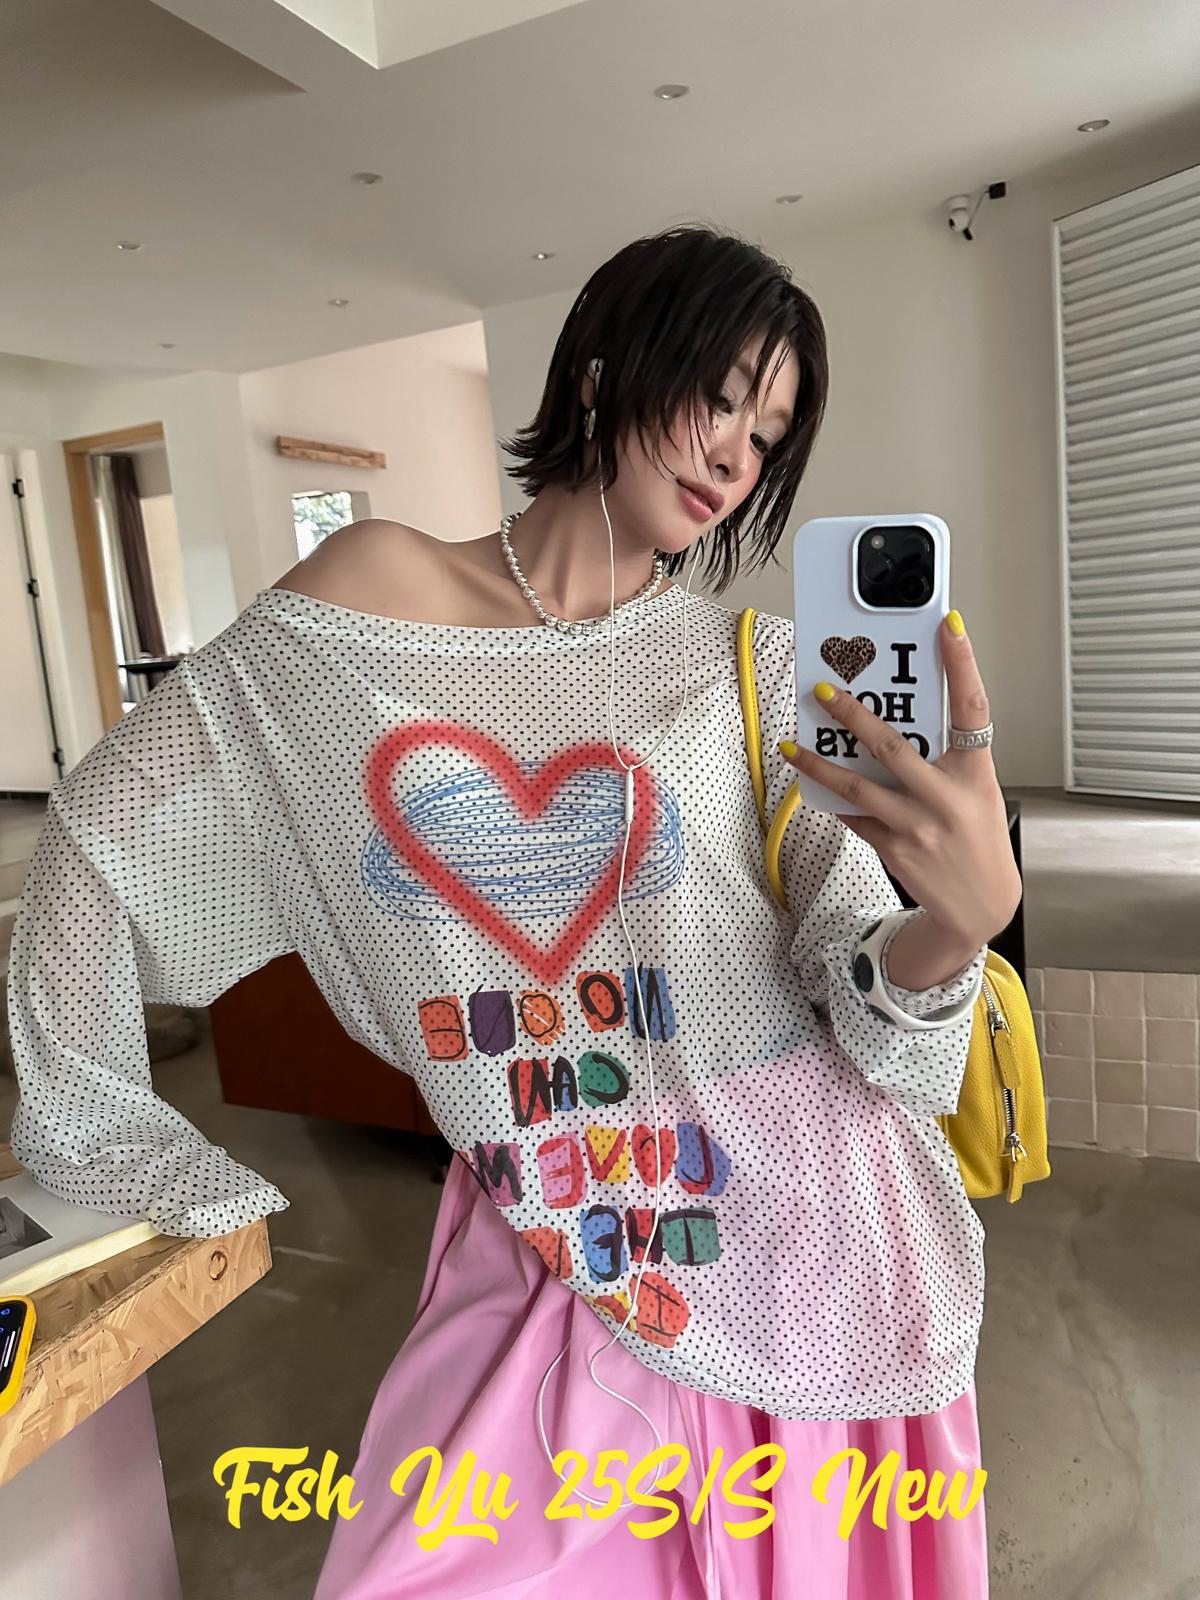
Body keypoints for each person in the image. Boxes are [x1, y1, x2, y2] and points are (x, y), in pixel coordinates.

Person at [7, 224, 1020, 1598]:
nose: (736, 455)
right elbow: (96, 841)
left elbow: (870, 1005)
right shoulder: (373, 598)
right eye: (719, 396)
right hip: (550, 1206)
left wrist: (962, 921)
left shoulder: (752, 665)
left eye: (769, 437)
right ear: (603, 370)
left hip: (816, 1226)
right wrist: (104, 1129)